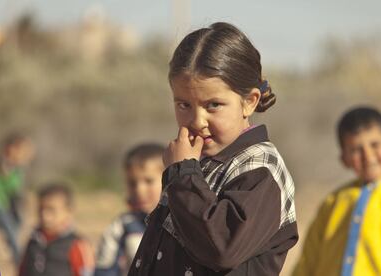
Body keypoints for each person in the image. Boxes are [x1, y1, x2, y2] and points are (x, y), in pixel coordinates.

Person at [128, 22, 298, 276]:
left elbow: (222, 248)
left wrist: (183, 175)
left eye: (213, 105)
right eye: (184, 105)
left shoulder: (260, 168)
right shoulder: (195, 164)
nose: (197, 121)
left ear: (249, 102)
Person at [292, 106, 381, 276]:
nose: (368, 156)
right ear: (344, 159)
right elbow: (307, 263)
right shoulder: (333, 203)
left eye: (375, 145)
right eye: (356, 150)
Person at [95, 143, 165, 276]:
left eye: (149, 181)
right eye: (132, 183)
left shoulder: (180, 224)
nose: (139, 190)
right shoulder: (122, 226)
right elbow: (105, 268)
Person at [19, 183, 94, 276]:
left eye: (51, 210)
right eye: (41, 209)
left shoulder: (77, 245)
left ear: (68, 212)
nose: (45, 216)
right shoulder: (33, 241)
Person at [0, 133, 35, 265]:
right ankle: (20, 263)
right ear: (11, 149)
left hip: (8, 204)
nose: (25, 156)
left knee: (16, 225)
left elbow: (17, 190)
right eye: (23, 152)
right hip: (0, 205)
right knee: (11, 232)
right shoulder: (4, 163)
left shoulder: (18, 169)